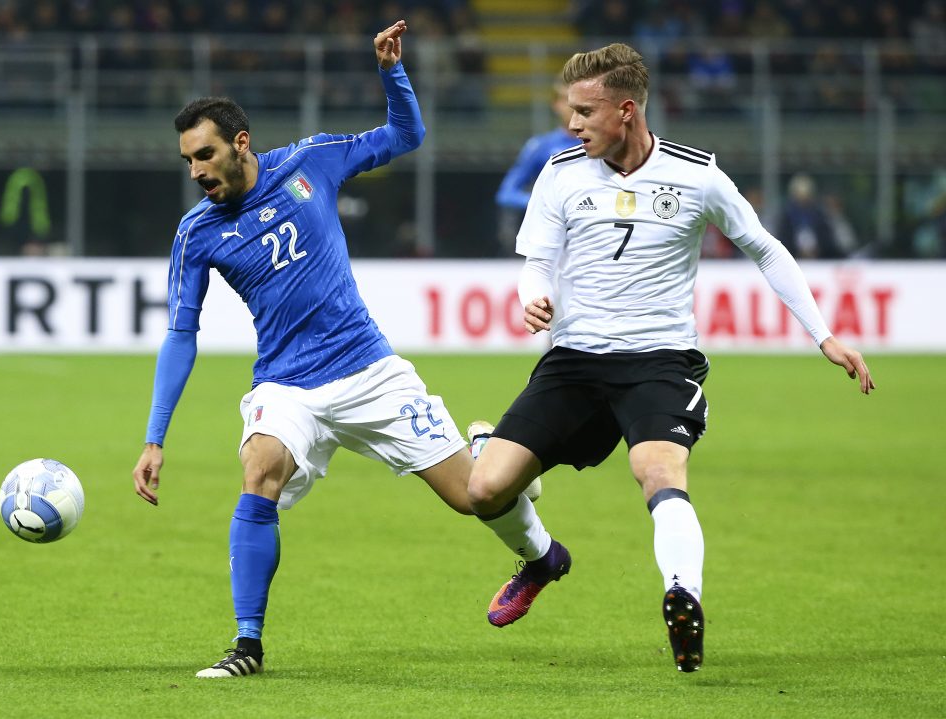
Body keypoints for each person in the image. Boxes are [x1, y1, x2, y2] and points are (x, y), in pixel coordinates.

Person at [131, 20, 548, 679]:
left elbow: (406, 135)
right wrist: (155, 438)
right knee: (259, 470)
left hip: (369, 371)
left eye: (205, 154)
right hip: (287, 385)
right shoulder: (197, 232)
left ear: (241, 142)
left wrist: (391, 73)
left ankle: (501, 477)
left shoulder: (311, 161)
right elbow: (182, 333)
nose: (196, 171)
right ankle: (247, 646)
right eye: (187, 161)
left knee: (475, 498)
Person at [467, 43, 875, 673]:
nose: (571, 124)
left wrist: (823, 334)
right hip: (575, 361)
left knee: (658, 471)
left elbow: (765, 249)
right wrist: (533, 297)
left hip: (660, 362)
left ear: (626, 111)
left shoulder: (697, 174)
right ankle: (543, 557)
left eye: (584, 112)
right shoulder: (560, 172)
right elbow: (537, 262)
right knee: (484, 491)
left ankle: (683, 598)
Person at [494, 76, 579, 251]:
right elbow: (506, 193)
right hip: (553, 237)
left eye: (578, 100)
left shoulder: (604, 145)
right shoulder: (541, 146)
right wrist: (545, 204)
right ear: (555, 104)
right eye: (566, 99)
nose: (572, 106)